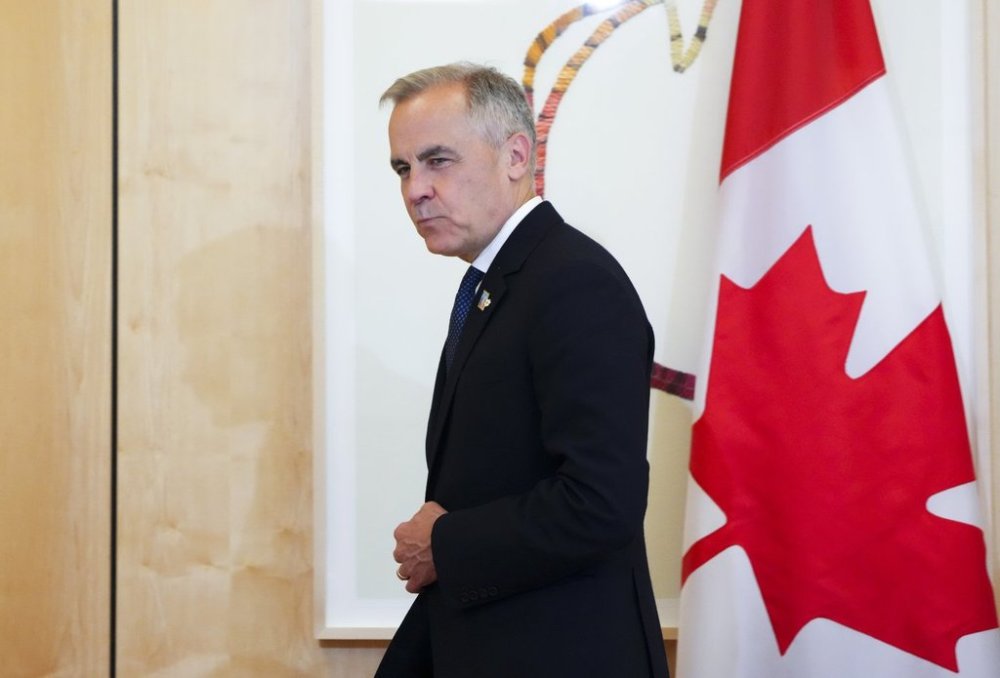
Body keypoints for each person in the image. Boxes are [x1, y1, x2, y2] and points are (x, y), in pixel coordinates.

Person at [375, 62, 669, 678]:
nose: (414, 190)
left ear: (514, 156)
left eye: (438, 161)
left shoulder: (573, 281)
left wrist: (445, 544)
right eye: (403, 168)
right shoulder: (504, 280)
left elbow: (600, 504)